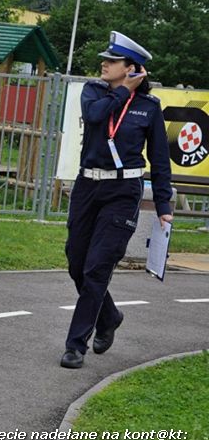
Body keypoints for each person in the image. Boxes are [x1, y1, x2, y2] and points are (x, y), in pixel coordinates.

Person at [60, 31, 173, 369]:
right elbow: (96, 118)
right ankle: (108, 317)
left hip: (123, 193)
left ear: (131, 67)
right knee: (76, 264)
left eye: (112, 61)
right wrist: (125, 89)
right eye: (105, 59)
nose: (103, 64)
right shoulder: (93, 92)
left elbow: (159, 157)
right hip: (88, 186)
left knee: (98, 268)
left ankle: (75, 345)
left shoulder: (149, 107)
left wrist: (164, 206)